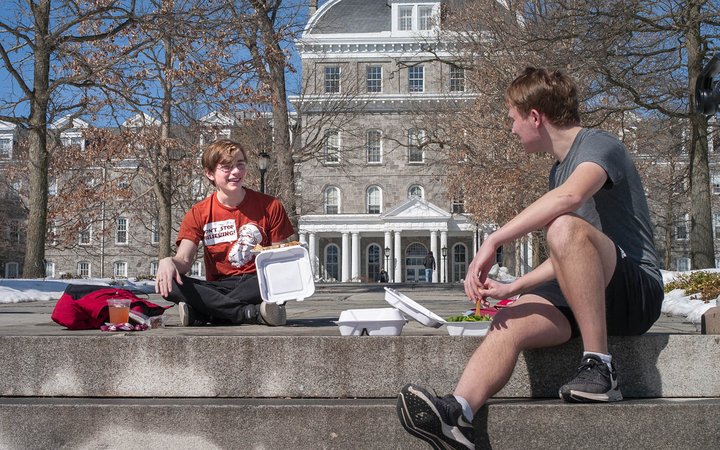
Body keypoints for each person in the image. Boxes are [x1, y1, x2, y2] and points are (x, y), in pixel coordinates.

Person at [396, 67, 664, 449]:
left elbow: (569, 207)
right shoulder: (558, 172)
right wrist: (515, 286)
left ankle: (601, 368)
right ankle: (457, 415)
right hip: (589, 295)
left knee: (562, 226)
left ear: (535, 116)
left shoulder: (600, 146)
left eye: (513, 118)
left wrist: (494, 240)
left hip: (636, 293)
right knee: (511, 318)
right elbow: (571, 254)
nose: (511, 129)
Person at [155, 139, 295, 327]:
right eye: (226, 167)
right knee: (169, 285)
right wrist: (168, 262)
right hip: (219, 285)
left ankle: (207, 312)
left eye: (240, 164)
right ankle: (249, 313)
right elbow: (184, 261)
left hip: (258, 282)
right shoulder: (199, 212)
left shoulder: (271, 206)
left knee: (277, 282)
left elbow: (280, 262)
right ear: (209, 173)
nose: (236, 172)